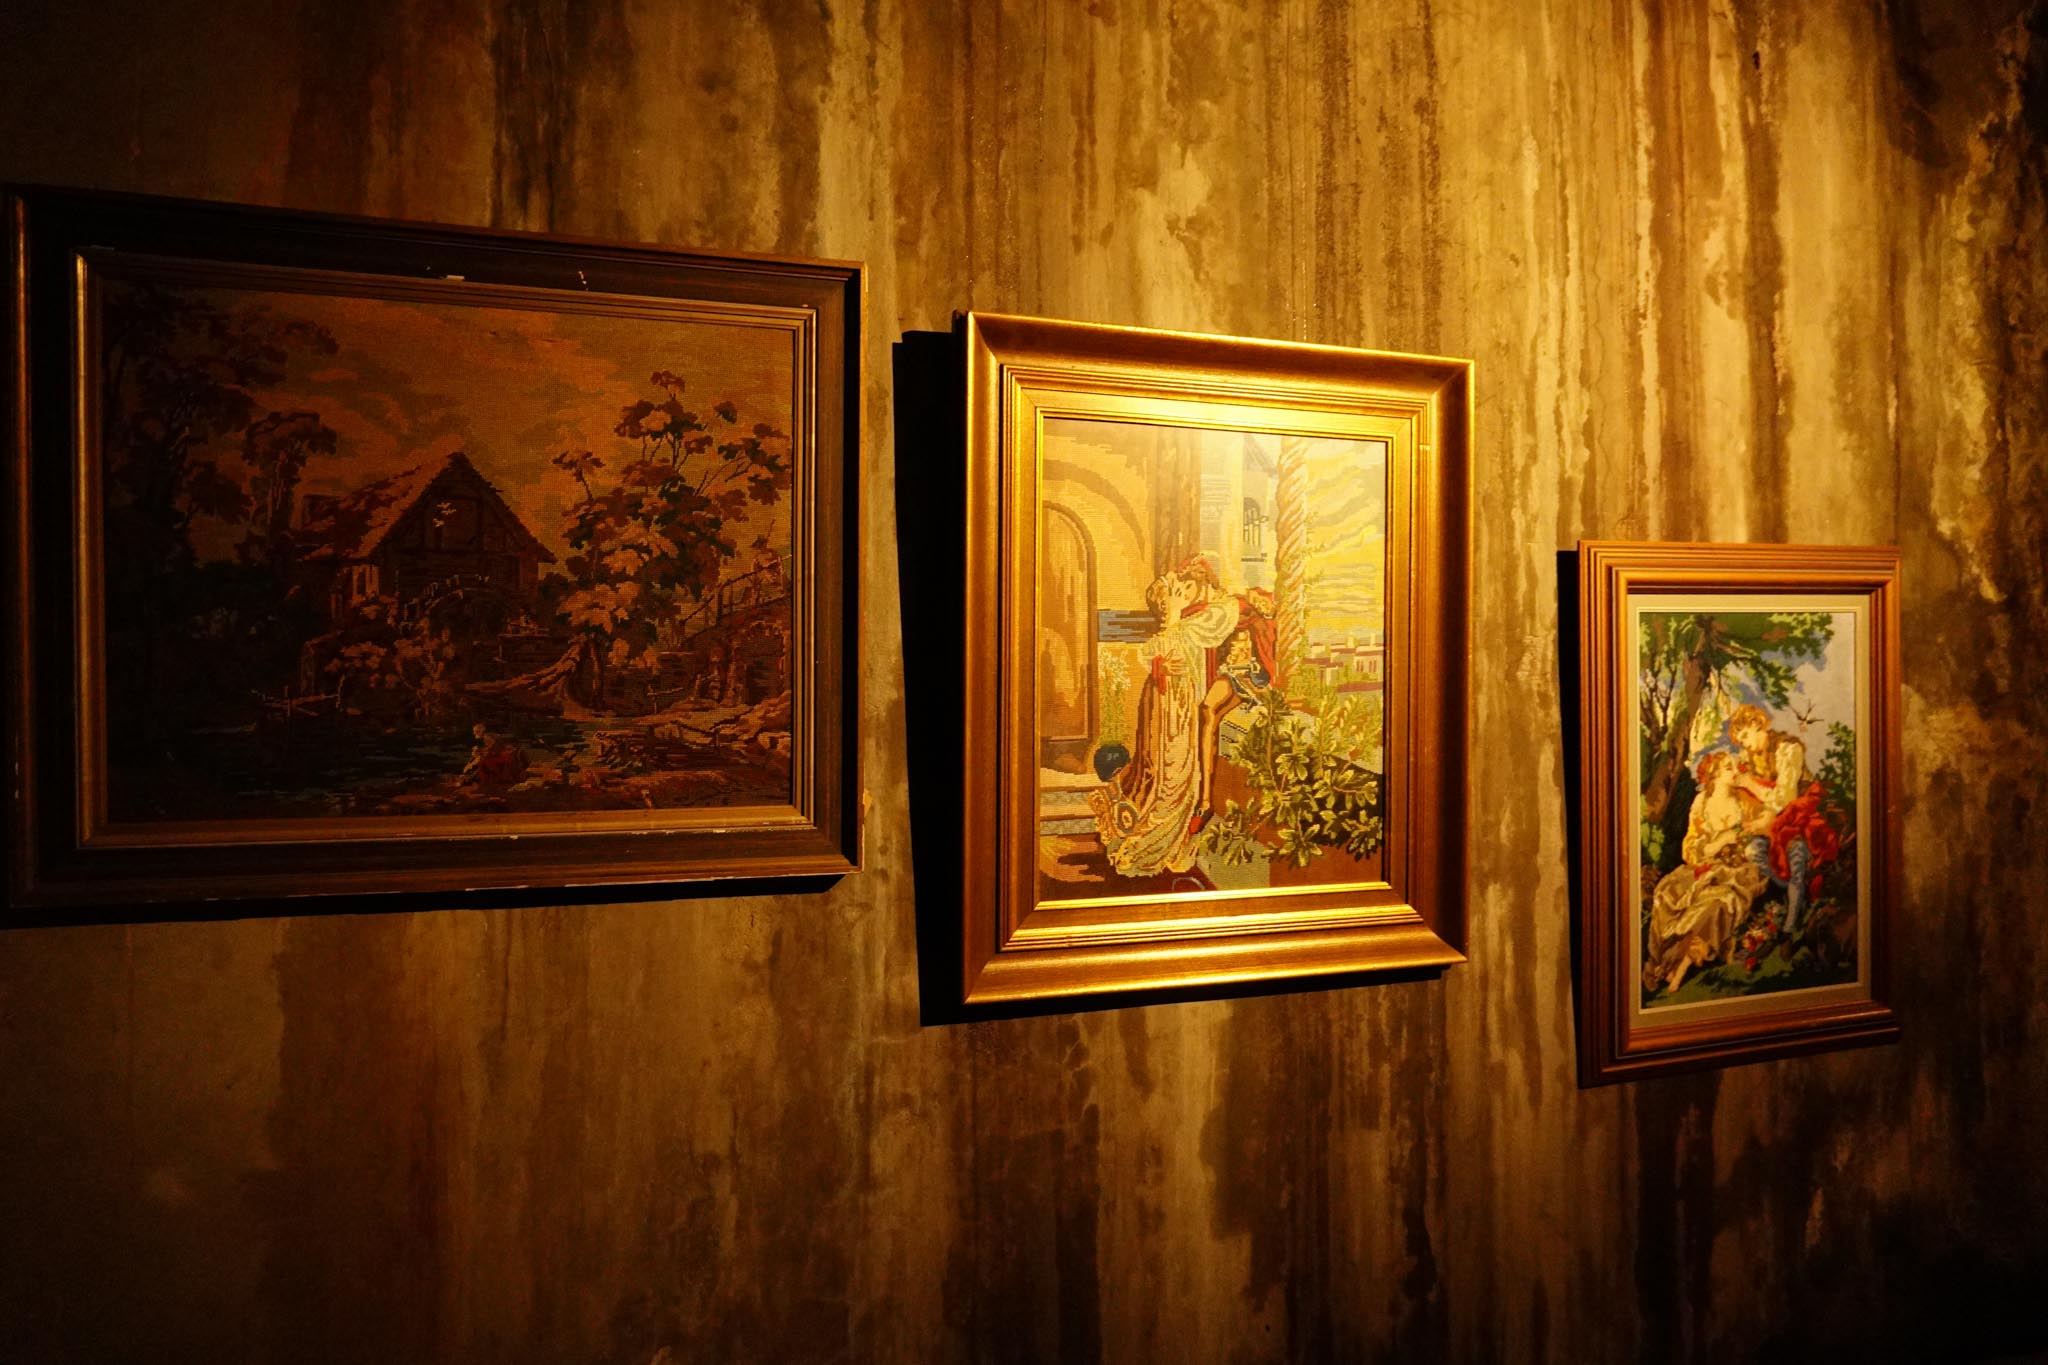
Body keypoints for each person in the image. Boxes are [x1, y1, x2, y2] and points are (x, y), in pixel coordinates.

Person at [1644, 750, 1769, 995]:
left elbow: (1765, 822)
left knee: (1714, 905)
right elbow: (1689, 847)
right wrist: (1718, 842)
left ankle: (1682, 966)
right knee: (1666, 893)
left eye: (1736, 767)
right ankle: (1665, 961)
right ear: (1714, 774)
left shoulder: (1744, 800)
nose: (1736, 772)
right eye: (1728, 768)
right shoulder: (1701, 802)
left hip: (1736, 871)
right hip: (1704, 865)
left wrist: (1747, 834)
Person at [1727, 703, 1841, 936]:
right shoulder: (1751, 759)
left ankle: (1791, 924)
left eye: (1745, 736)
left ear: (1756, 724)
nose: (1744, 744)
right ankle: (1791, 892)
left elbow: (1785, 797)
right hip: (1773, 823)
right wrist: (1757, 818)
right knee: (1752, 852)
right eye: (1740, 741)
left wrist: (1750, 785)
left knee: (1795, 852)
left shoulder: (1788, 748)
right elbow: (1759, 802)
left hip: (1802, 816)